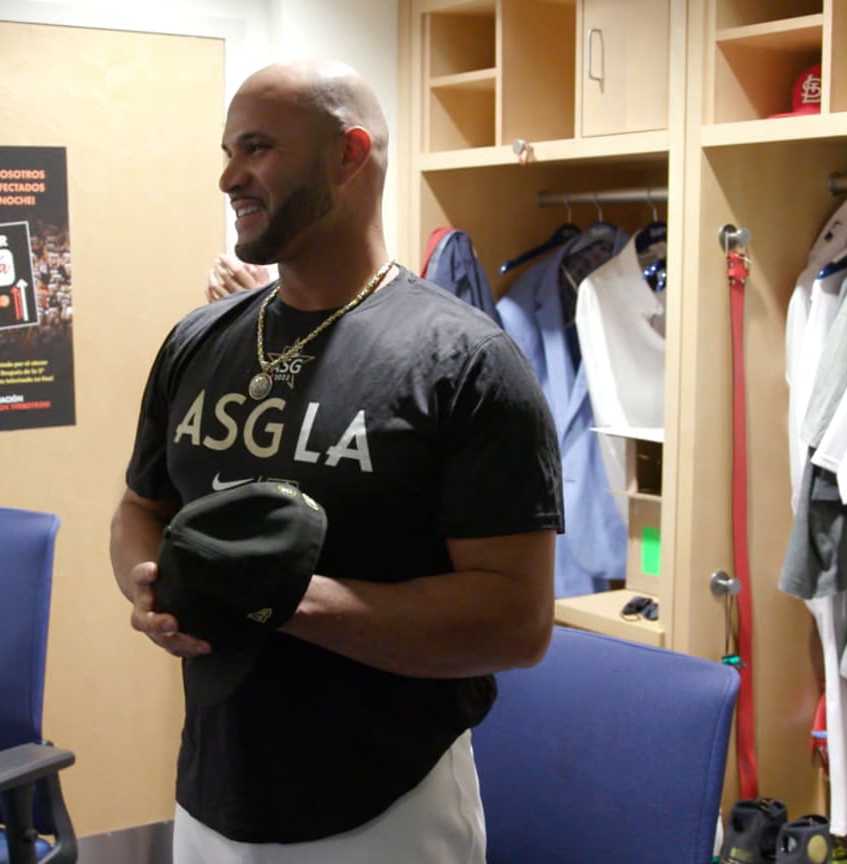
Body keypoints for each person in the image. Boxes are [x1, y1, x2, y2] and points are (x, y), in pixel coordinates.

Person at [109, 61, 561, 862]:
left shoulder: (465, 362)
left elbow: (515, 622)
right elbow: (141, 508)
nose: (229, 177)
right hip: (211, 796)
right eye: (227, 150)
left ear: (349, 155)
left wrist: (280, 600)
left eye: (257, 149)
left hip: (386, 806)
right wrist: (151, 585)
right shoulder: (198, 341)